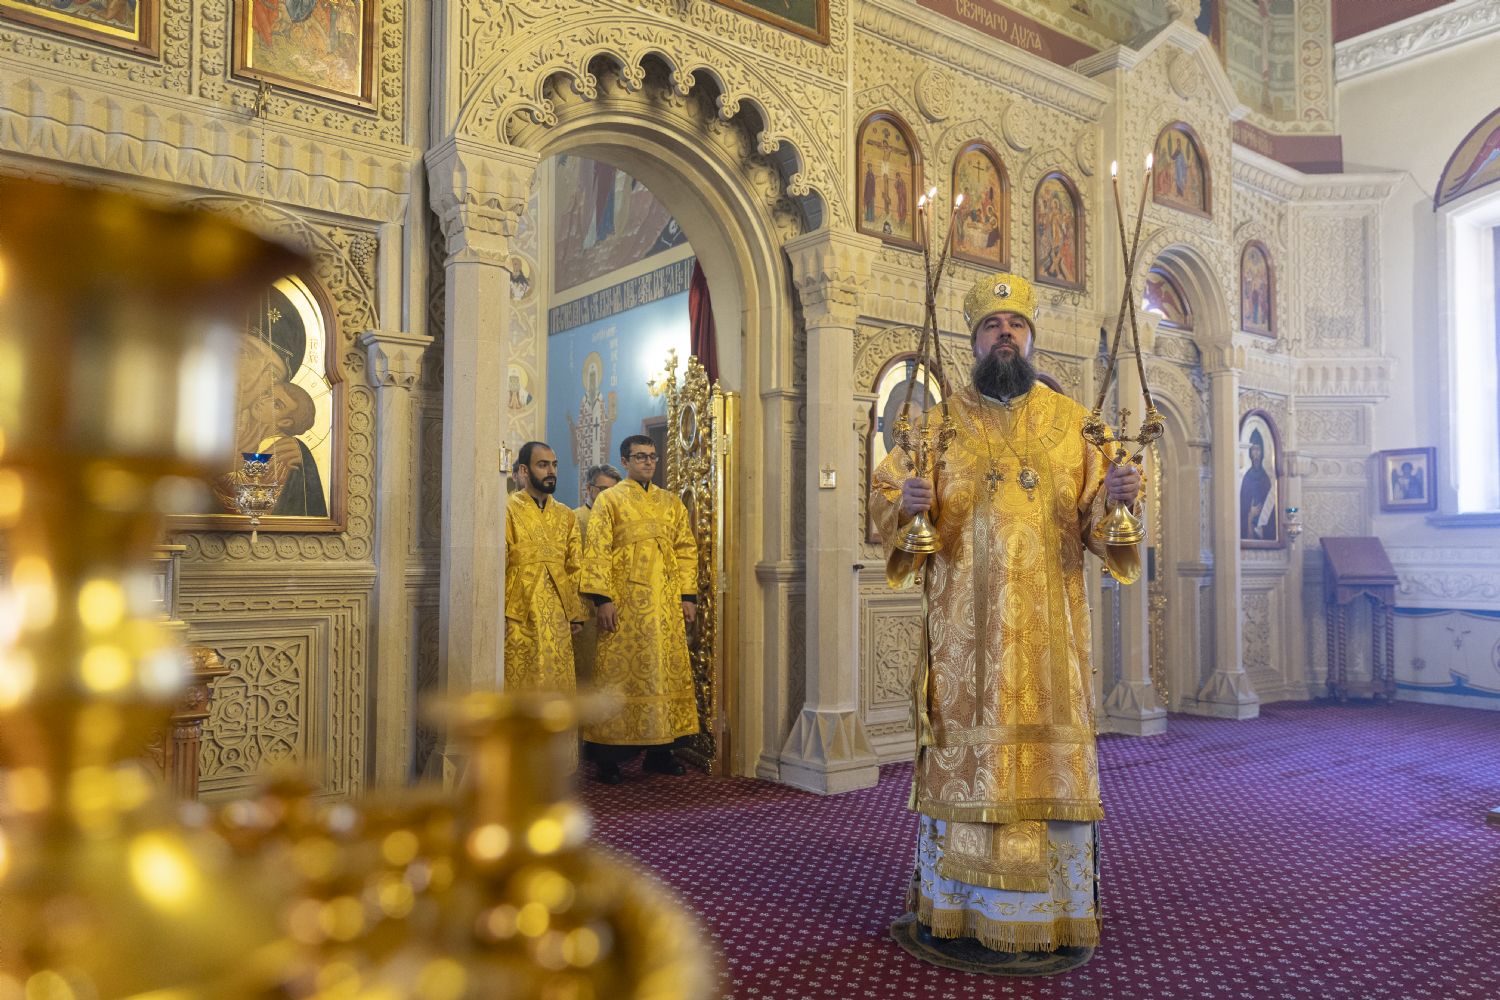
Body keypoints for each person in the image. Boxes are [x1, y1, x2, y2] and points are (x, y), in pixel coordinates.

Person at [871, 271, 1141, 974]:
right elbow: (888, 513)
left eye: (1016, 326)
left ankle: (1053, 916)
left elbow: (1103, 529)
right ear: (973, 341)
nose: (1005, 336)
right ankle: (954, 910)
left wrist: (1119, 498)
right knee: (967, 757)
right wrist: (906, 500)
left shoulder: (1073, 422)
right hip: (965, 639)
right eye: (992, 327)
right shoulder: (934, 425)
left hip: (1051, 640)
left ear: (1031, 338)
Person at [580, 436, 699, 785]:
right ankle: (608, 759)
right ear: (625, 460)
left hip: (663, 605)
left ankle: (660, 754)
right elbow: (598, 549)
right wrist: (603, 599)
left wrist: (687, 595)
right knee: (619, 677)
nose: (648, 462)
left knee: (663, 672)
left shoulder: (670, 502)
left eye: (652, 457)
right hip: (625, 604)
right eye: (640, 457)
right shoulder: (610, 500)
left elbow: (686, 548)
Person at [504, 441, 586, 699]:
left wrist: (575, 612)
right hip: (518, 612)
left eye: (554, 465)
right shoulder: (506, 508)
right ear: (525, 471)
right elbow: (500, 562)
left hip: (557, 612)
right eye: (543, 465)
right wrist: (498, 614)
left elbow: (575, 565)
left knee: (556, 684)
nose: (551, 471)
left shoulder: (565, 515)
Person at [573, 463, 624, 686]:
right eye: (602, 490)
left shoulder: (623, 522)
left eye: (613, 491)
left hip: (618, 607)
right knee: (586, 675)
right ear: (589, 489)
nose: (607, 497)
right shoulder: (573, 519)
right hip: (586, 608)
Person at [1239, 430, 1273, 540]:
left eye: (1258, 449)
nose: (1256, 453)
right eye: (1253, 449)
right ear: (1250, 452)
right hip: (1249, 521)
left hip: (1263, 522)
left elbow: (1270, 507)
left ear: (1262, 452)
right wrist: (1250, 513)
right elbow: (1242, 505)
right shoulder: (1247, 477)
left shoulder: (1265, 478)